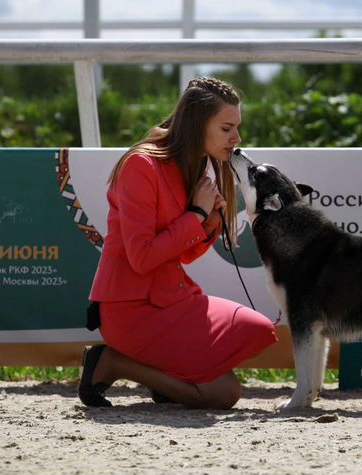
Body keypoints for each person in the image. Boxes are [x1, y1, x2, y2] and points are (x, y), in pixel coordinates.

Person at [78, 77, 278, 410]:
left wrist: (209, 222)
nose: (237, 139)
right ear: (199, 124)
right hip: (131, 309)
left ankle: (168, 376)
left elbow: (182, 254)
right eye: (227, 128)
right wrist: (197, 212)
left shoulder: (196, 164)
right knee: (224, 393)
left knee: (258, 329)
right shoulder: (140, 165)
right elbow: (142, 258)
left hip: (174, 298)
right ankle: (112, 362)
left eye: (237, 128)